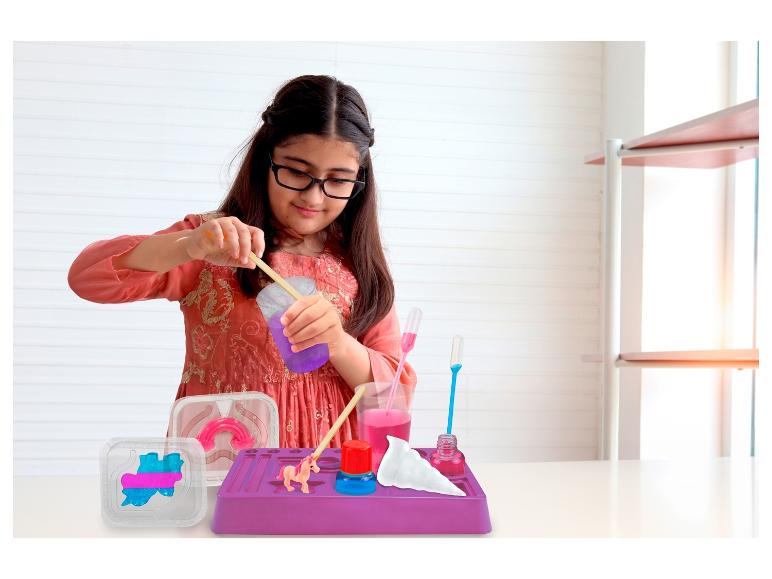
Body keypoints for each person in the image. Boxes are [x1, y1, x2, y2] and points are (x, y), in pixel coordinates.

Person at [68, 75, 417, 448]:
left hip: (326, 466)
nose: (314, 197)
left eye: (338, 180)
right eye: (297, 171)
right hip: (222, 461)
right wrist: (188, 246)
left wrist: (339, 343)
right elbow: (87, 278)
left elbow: (396, 394)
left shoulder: (357, 263)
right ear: (266, 158)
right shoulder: (211, 241)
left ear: (359, 180)